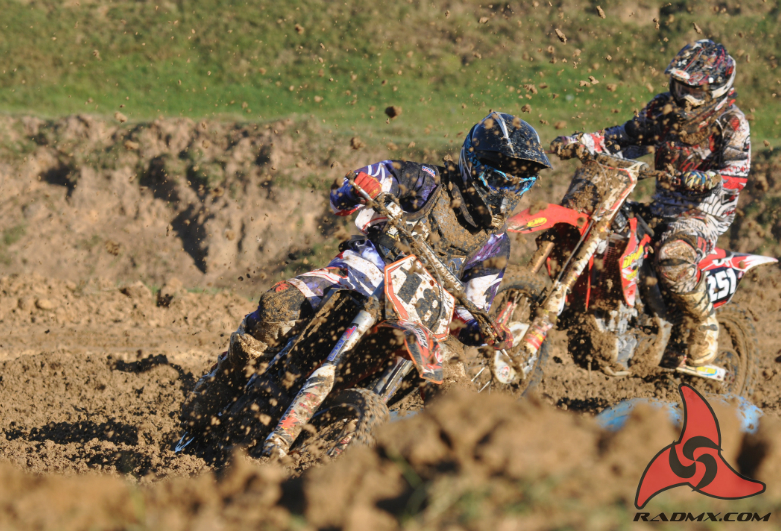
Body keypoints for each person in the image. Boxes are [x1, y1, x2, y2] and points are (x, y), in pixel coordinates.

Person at [181, 111, 552, 429]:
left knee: (456, 394)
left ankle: (412, 466)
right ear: (474, 164)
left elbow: (474, 308)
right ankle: (223, 382)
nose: (507, 191)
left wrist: (485, 330)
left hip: (422, 323)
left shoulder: (494, 243)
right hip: (361, 278)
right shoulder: (424, 180)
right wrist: (360, 186)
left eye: (519, 182)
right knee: (278, 304)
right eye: (501, 178)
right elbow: (351, 190)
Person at [552, 39, 750, 367]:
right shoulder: (663, 108)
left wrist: (710, 179)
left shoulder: (731, 122)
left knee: (673, 257)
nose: (685, 98)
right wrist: (580, 142)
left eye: (695, 90)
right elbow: (625, 137)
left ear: (716, 89)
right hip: (661, 204)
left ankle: (704, 322)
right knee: (605, 225)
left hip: (703, 211)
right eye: (681, 86)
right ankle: (605, 309)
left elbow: (737, 172)